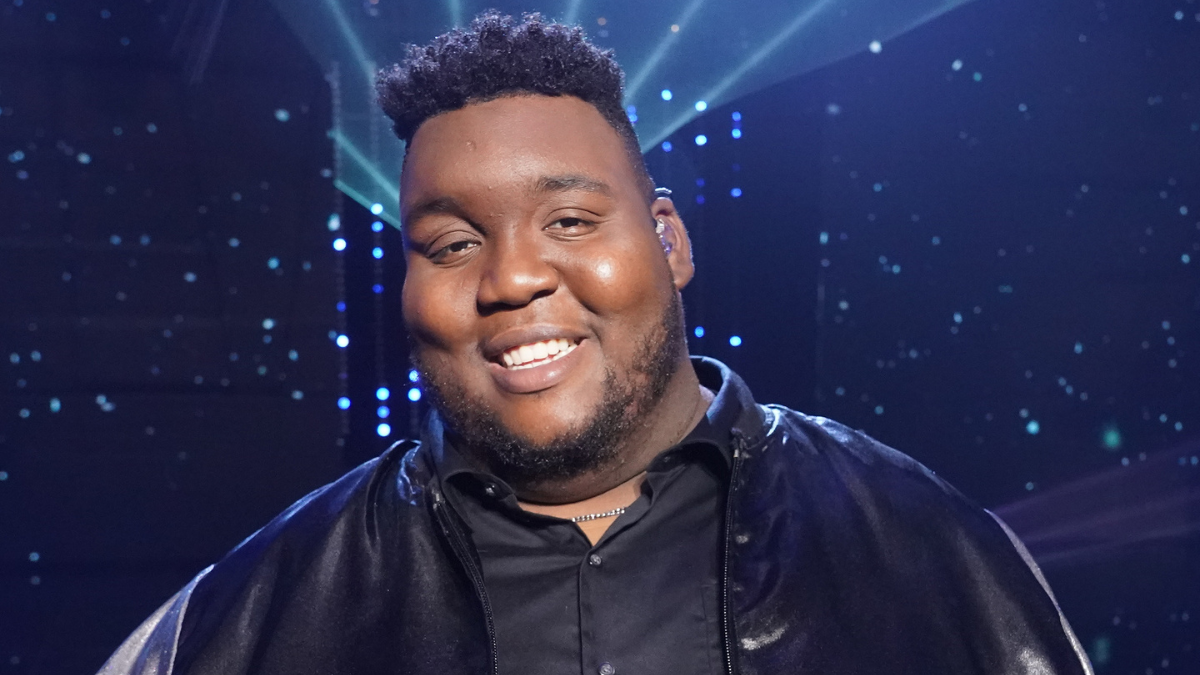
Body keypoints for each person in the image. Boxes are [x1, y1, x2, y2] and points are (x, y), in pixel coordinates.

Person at [100, 12, 1093, 675]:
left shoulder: (924, 548)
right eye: (452, 244)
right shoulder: (250, 615)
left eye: (569, 221)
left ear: (669, 241)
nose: (511, 279)